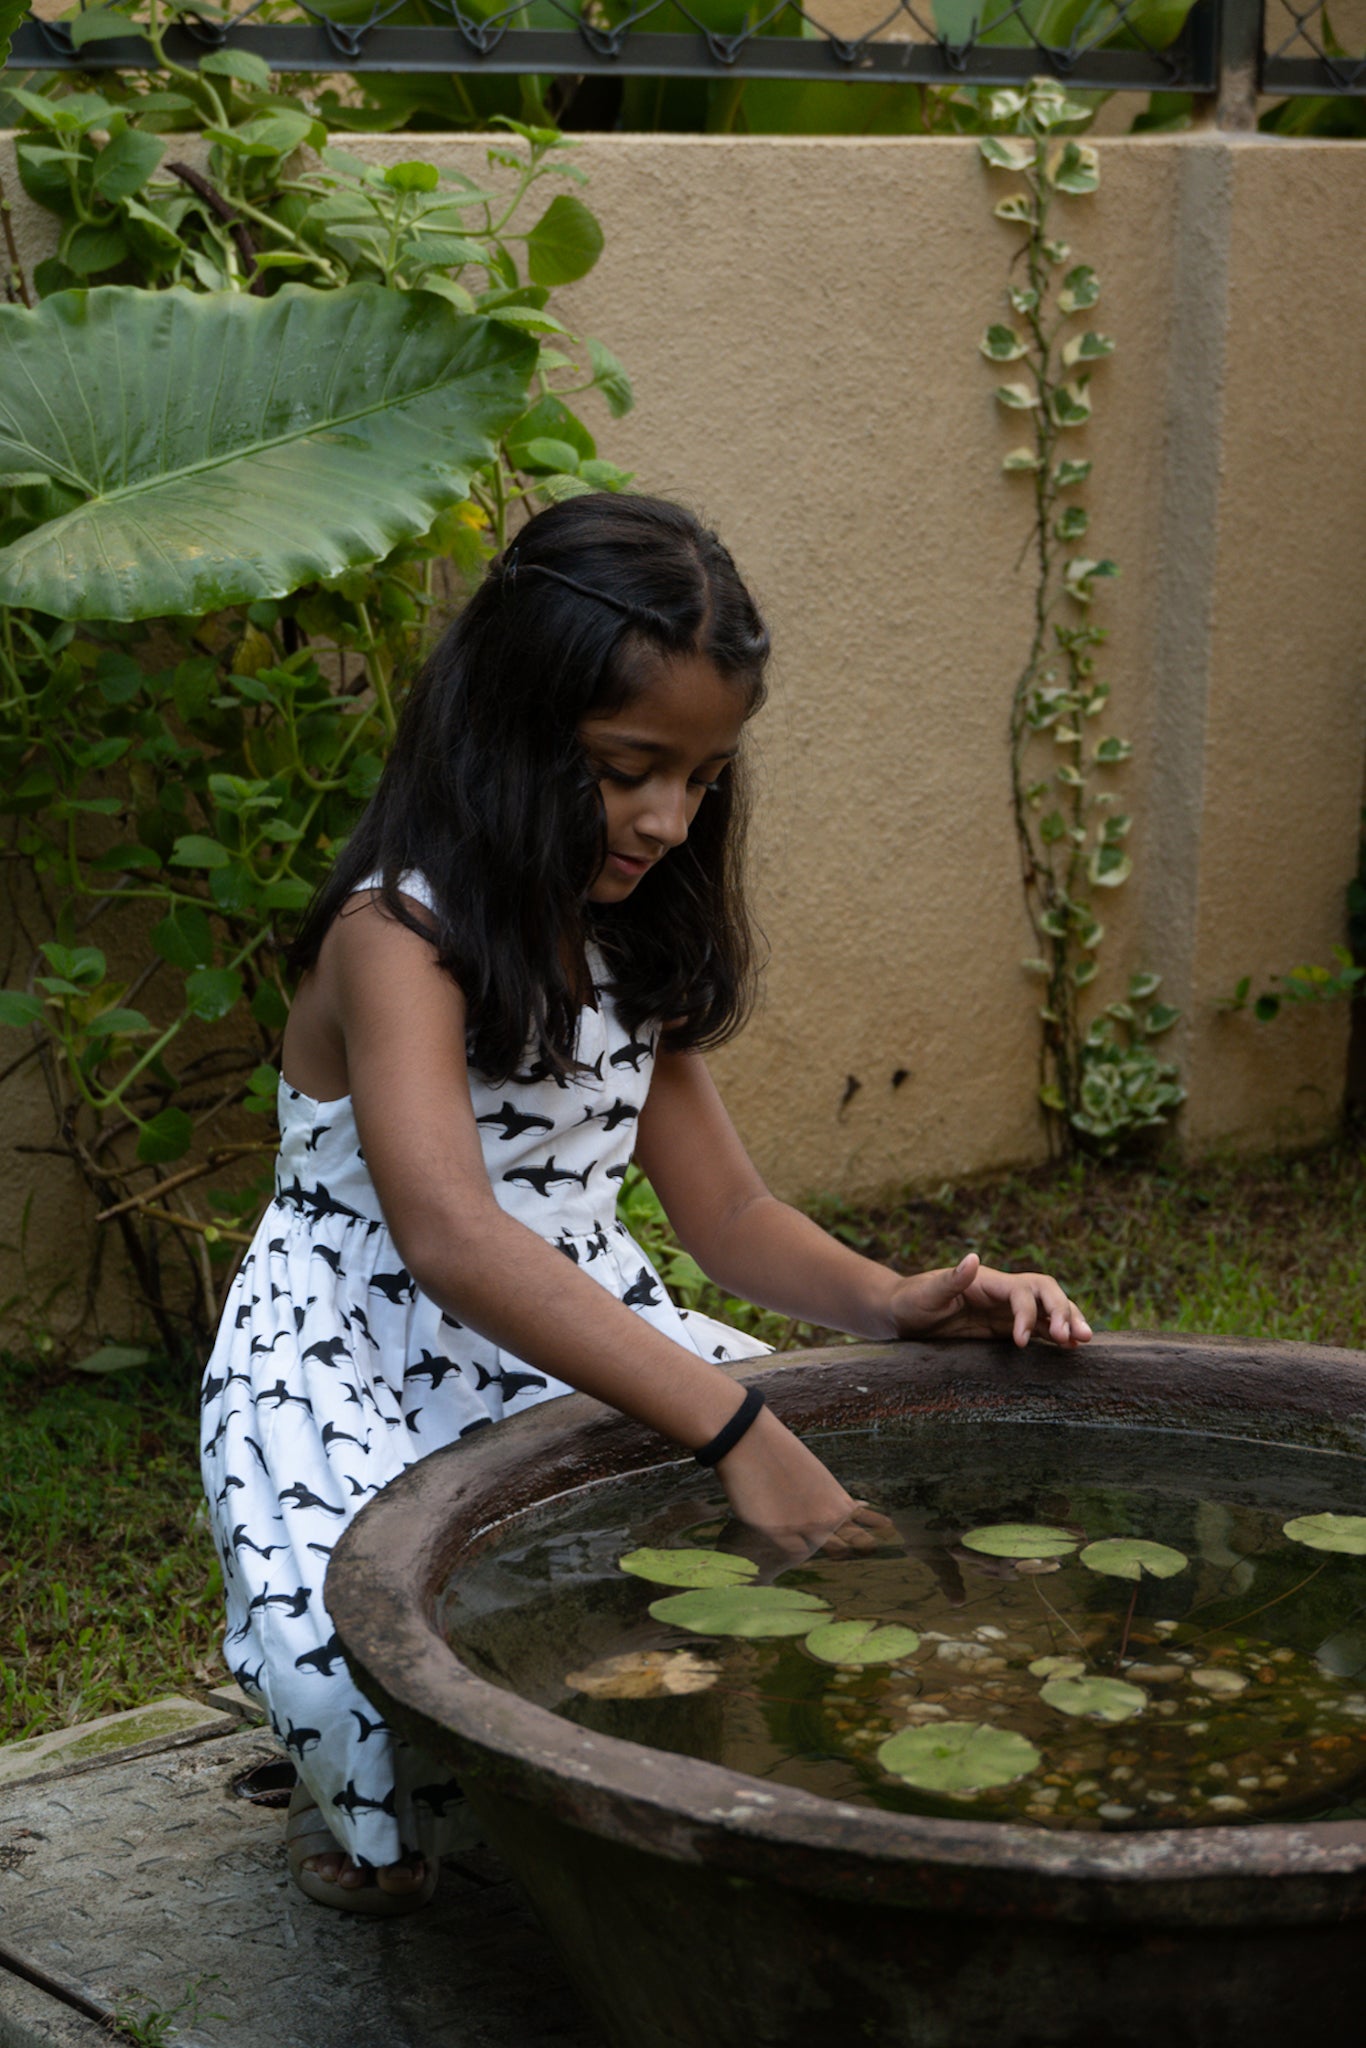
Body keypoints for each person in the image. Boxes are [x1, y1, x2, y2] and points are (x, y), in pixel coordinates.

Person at [199, 492, 1090, 1917]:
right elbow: (453, 1236)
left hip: (580, 1320)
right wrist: (733, 1425)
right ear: (510, 729)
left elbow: (726, 1216)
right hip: (356, 1350)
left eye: (703, 778)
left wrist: (893, 1300)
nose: (669, 819)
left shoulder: (624, 939)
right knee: (360, 1677)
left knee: (737, 1587)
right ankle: (366, 1817)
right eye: (629, 771)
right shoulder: (397, 934)